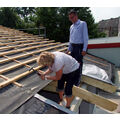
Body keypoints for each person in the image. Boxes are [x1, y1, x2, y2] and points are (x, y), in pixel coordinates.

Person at [66, 10, 89, 83]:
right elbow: (71, 39)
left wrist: (84, 49)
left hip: (79, 47)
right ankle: (72, 78)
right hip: (73, 47)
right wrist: (68, 49)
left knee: (78, 63)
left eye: (72, 17)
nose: (71, 19)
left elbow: (85, 37)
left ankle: (77, 81)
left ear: (76, 16)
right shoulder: (71, 26)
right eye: (70, 18)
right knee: (72, 63)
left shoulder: (82, 24)